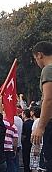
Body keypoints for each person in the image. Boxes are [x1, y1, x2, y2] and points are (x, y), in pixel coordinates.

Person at [32, 41, 52, 171]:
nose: (36, 62)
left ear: (39, 55)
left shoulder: (48, 69)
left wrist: (40, 127)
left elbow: (49, 99)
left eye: (35, 59)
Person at [30, 106, 42, 172]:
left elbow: (35, 136)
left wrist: (36, 147)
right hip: (40, 146)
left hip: (37, 146)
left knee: (35, 167)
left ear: (33, 113)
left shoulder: (36, 121)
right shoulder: (39, 121)